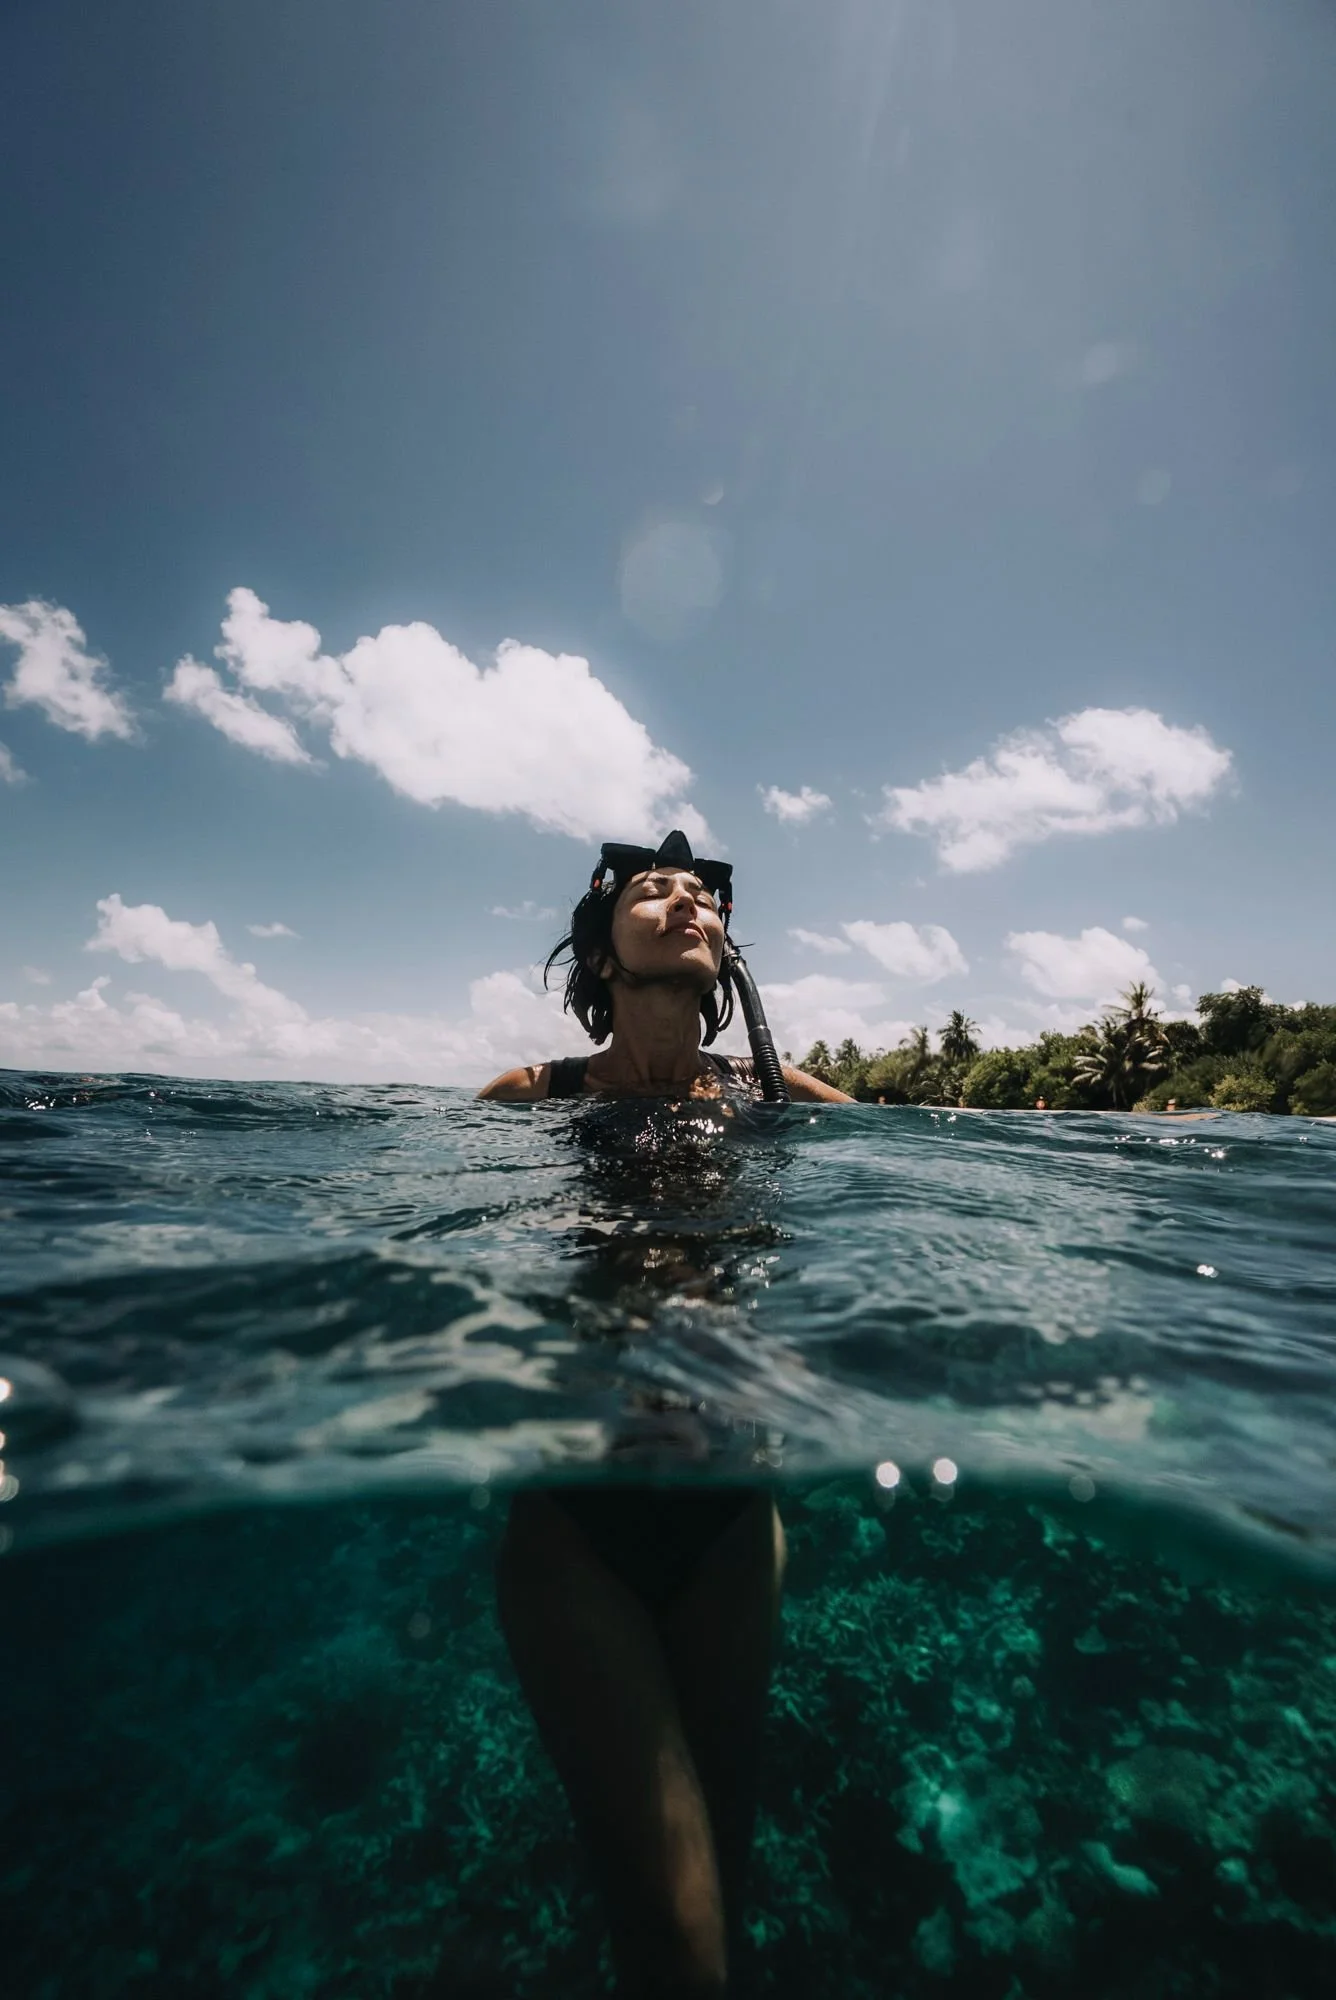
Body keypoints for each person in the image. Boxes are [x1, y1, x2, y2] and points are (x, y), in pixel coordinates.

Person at [480, 833, 850, 1997]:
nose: (683, 896)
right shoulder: (531, 1097)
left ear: (725, 948)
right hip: (577, 1507)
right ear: (600, 945)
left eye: (700, 892)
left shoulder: (777, 1095)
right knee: (680, 1943)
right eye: (653, 887)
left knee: (714, 1898)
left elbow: (954, 1154)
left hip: (734, 1509)